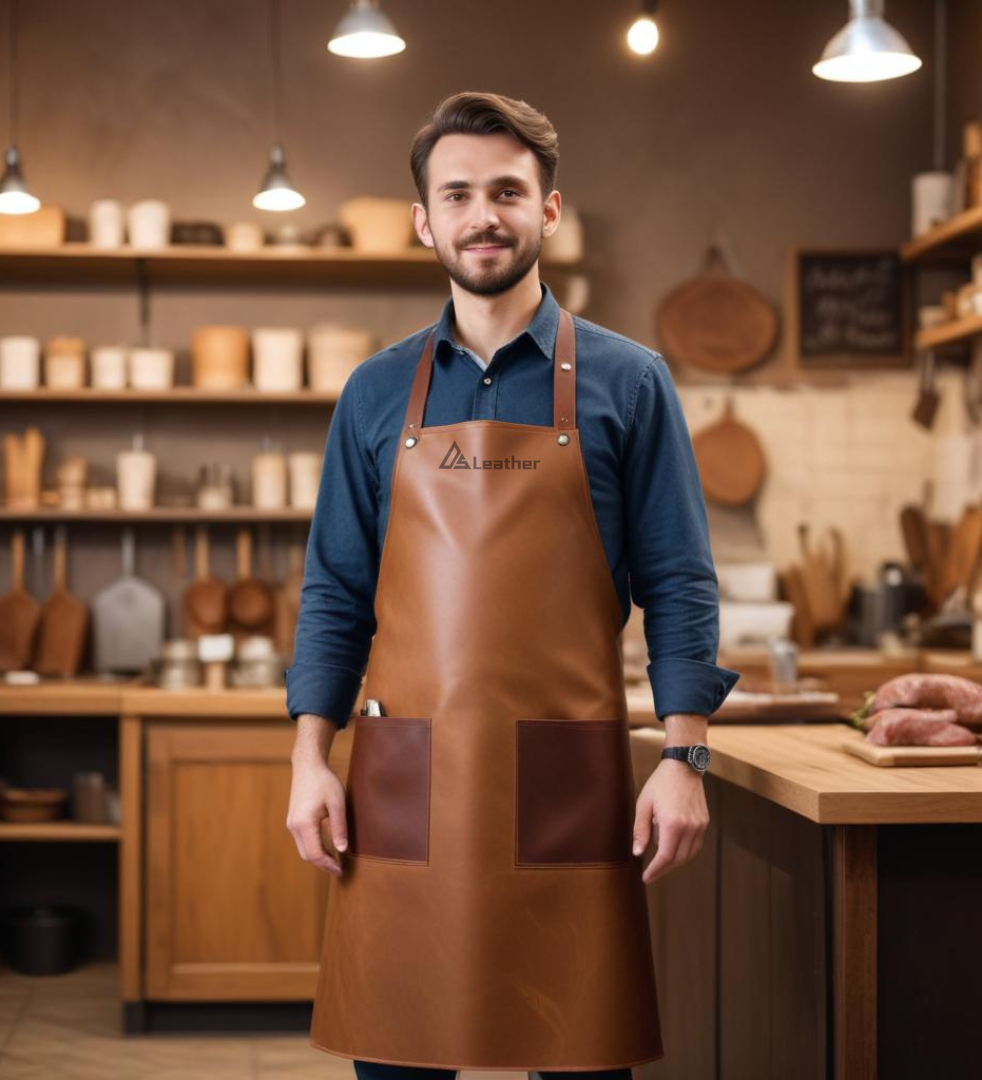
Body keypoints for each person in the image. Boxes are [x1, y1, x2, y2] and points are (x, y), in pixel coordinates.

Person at [285, 90, 741, 1079]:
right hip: (405, 780)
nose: (482, 214)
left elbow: (678, 581)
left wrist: (685, 758)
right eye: (458, 194)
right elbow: (333, 592)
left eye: (506, 190)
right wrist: (309, 757)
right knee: (399, 1056)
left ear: (549, 210)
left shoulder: (630, 381)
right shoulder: (374, 391)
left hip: (567, 780)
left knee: (580, 1055)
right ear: (425, 221)